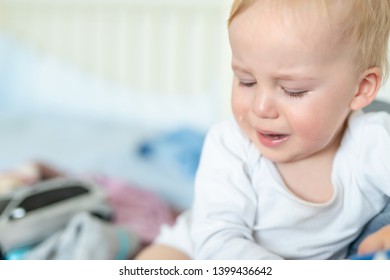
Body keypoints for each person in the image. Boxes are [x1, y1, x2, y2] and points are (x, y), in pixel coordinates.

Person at [136, 0, 390, 259]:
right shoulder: (231, 145)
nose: (260, 107)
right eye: (246, 81)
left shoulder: (373, 141)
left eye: (293, 90)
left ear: (361, 89)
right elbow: (218, 241)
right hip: (200, 249)